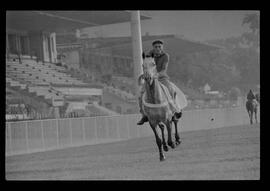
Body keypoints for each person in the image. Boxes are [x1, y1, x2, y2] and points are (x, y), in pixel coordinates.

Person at [137, 40, 181, 125]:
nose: (157, 48)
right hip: (150, 79)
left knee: (171, 90)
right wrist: (144, 74)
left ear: (162, 47)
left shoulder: (166, 56)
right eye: (156, 47)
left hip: (162, 77)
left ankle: (174, 111)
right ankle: (143, 115)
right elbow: (146, 67)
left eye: (159, 47)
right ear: (153, 48)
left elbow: (164, 69)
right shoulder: (148, 56)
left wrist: (156, 75)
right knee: (141, 94)